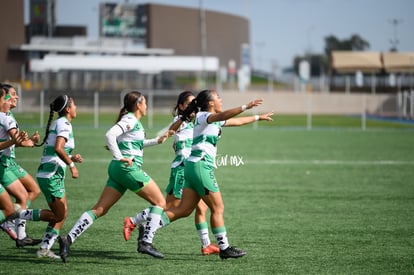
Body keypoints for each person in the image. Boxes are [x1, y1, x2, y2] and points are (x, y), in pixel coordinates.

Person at [135, 89, 273, 259]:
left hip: (192, 167)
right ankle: (224, 248)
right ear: (210, 103)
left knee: (184, 210)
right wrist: (246, 106)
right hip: (200, 167)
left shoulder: (211, 119)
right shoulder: (203, 116)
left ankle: (148, 233)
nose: (221, 99)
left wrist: (258, 117)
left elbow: (236, 122)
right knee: (218, 208)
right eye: (218, 97)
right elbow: (223, 116)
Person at [58, 90, 173, 263]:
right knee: (160, 203)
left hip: (118, 170)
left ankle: (68, 239)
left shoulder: (132, 121)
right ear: (138, 105)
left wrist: (157, 140)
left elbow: (136, 143)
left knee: (99, 210)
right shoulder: (130, 119)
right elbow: (110, 135)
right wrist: (120, 157)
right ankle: (146, 242)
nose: (147, 106)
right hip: (127, 168)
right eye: (145, 102)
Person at [123, 91, 220, 256]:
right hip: (182, 168)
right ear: (182, 106)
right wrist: (183, 117)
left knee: (201, 207)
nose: (193, 107)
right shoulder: (181, 120)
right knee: (169, 207)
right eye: (189, 104)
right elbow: (172, 130)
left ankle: (206, 245)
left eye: (194, 103)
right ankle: (135, 222)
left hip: (192, 168)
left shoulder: (198, 120)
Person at [18, 94, 83, 259]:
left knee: (63, 213)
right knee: (58, 215)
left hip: (51, 174)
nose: (76, 108)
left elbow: (60, 151)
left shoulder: (60, 123)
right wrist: (72, 165)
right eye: (74, 105)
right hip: (51, 175)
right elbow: (58, 148)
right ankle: (15, 214)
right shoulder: (65, 124)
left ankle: (44, 249)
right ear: (68, 109)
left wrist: (71, 157)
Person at [0, 83, 42, 248]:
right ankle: (12, 225)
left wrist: (31, 141)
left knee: (33, 191)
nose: (16, 97)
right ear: (4, 97)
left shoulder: (7, 115)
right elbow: (15, 140)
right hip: (4, 163)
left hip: (9, 161)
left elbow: (16, 142)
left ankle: (16, 226)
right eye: (12, 94)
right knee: (23, 197)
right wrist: (26, 141)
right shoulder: (4, 117)